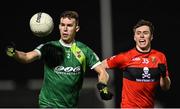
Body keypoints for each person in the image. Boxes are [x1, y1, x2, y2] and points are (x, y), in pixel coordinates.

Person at [6, 11, 113, 108]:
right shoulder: (49, 47)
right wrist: (14, 53)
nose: (65, 29)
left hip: (70, 105)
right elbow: (26, 57)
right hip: (48, 104)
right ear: (59, 26)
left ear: (77, 28)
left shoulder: (84, 50)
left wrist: (103, 86)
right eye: (63, 25)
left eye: (69, 25)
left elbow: (102, 72)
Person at [102, 19, 171, 108]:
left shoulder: (160, 57)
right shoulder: (126, 57)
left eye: (145, 33)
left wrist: (164, 76)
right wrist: (103, 87)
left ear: (151, 37)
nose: (141, 36)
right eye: (138, 33)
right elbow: (100, 66)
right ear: (135, 37)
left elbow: (165, 87)